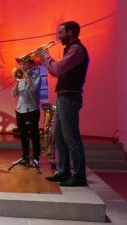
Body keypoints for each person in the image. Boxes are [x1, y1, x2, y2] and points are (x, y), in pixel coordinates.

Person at [38, 21, 89, 187]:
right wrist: (44, 61)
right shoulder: (70, 50)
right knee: (59, 137)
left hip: (70, 97)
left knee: (71, 138)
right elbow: (56, 71)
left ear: (70, 32)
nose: (58, 36)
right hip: (63, 97)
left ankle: (79, 176)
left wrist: (46, 56)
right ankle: (64, 172)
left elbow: (59, 68)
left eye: (61, 32)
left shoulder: (76, 49)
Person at [11, 59, 42, 168]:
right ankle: (25, 157)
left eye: (25, 63)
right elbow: (14, 94)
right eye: (21, 64)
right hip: (20, 109)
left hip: (32, 109)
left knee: (34, 135)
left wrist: (27, 76)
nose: (22, 65)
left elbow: (33, 88)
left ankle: (36, 158)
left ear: (31, 64)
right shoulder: (19, 77)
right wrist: (17, 81)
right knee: (23, 135)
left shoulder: (36, 76)